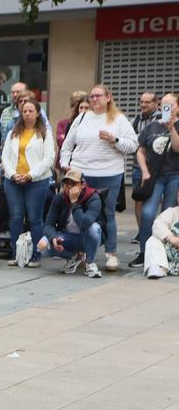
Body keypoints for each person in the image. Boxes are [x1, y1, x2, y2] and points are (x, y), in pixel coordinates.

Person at [58, 84, 138, 272]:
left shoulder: (118, 119)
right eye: (92, 96)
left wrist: (114, 139)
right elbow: (67, 145)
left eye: (98, 96)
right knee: (76, 212)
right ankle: (80, 251)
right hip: (82, 173)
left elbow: (133, 145)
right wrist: (65, 164)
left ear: (108, 97)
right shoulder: (82, 117)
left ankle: (111, 254)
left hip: (109, 173)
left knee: (107, 213)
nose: (94, 99)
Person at [1, 98, 56, 268]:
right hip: (14, 180)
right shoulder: (13, 133)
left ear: (38, 113)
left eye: (30, 110)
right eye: (24, 111)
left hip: (36, 181)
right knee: (16, 217)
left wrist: (30, 175)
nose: (27, 113)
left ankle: (35, 255)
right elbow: (5, 157)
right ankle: (17, 254)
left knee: (34, 218)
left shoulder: (44, 133)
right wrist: (13, 174)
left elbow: (49, 159)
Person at [132, 92, 179, 268]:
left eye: (171, 105)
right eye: (164, 105)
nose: (167, 108)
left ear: (178, 107)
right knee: (148, 213)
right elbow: (140, 150)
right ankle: (144, 253)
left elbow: (177, 148)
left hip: (175, 176)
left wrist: (172, 127)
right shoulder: (151, 126)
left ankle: (165, 254)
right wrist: (144, 171)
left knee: (168, 215)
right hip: (155, 176)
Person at [40, 169, 105, 278]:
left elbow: (85, 223)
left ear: (83, 185)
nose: (69, 187)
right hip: (68, 236)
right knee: (43, 246)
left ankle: (90, 262)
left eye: (73, 183)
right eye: (66, 184)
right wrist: (53, 238)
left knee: (93, 228)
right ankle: (74, 256)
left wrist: (74, 203)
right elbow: (48, 224)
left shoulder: (93, 197)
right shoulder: (59, 198)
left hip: (88, 237)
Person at [132, 92, 163, 232]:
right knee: (139, 199)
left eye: (147, 102)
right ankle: (142, 232)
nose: (143, 105)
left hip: (160, 168)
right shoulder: (136, 120)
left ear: (156, 103)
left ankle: (160, 232)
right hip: (139, 166)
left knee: (159, 201)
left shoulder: (163, 118)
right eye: (141, 102)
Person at [53, 91, 89, 173]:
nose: (83, 110)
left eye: (86, 107)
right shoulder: (66, 123)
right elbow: (62, 143)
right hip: (68, 163)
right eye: (76, 104)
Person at [143, 204, 179, 279]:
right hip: (170, 252)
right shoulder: (172, 212)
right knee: (153, 239)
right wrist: (170, 238)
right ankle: (157, 266)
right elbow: (158, 224)